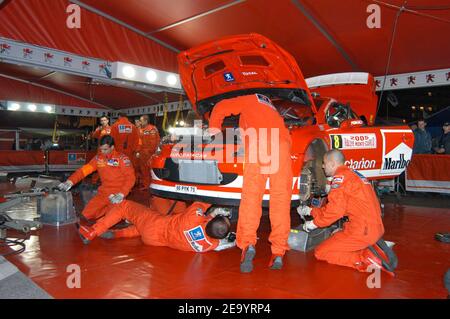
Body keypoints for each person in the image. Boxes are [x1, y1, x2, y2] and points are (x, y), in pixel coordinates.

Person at [207, 93, 292, 272]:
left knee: (251, 199)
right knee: (280, 201)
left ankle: (247, 244)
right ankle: (278, 251)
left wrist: (214, 131)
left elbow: (221, 106)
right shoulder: (272, 107)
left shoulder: (250, 99)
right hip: (282, 147)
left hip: (259, 146)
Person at [297, 149, 393, 275]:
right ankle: (369, 247)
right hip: (373, 227)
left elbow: (334, 212)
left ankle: (365, 259)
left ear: (332, 163)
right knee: (336, 235)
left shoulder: (340, 179)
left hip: (363, 231)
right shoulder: (353, 174)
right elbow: (337, 209)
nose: (322, 166)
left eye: (324, 163)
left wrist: (313, 224)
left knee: (321, 252)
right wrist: (310, 211)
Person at [77, 200, 236, 253]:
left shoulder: (193, 217)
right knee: (140, 227)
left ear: (208, 220)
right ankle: (119, 234)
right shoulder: (209, 245)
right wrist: (234, 241)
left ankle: (92, 232)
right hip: (153, 240)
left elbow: (204, 200)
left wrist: (216, 211)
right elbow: (221, 243)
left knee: (124, 206)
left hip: (154, 224)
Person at [58, 135, 135, 220]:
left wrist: (122, 194)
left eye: (105, 149)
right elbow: (84, 171)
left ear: (112, 147)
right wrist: (70, 181)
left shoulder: (122, 159)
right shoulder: (98, 158)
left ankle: (124, 211)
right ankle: (113, 211)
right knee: (85, 215)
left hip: (117, 194)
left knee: (111, 219)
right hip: (104, 193)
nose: (102, 151)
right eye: (101, 149)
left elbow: (130, 178)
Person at [136, 115, 160, 190]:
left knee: (148, 170)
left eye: (141, 120)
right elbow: (139, 142)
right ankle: (146, 184)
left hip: (148, 154)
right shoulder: (140, 129)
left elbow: (155, 142)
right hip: (143, 153)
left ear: (146, 121)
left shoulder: (152, 129)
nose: (140, 122)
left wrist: (150, 153)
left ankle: (149, 185)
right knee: (143, 170)